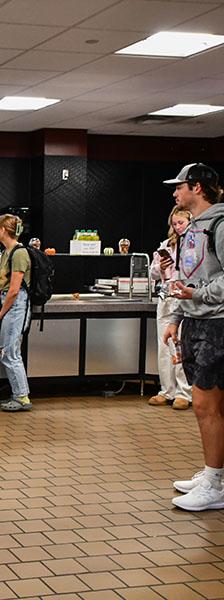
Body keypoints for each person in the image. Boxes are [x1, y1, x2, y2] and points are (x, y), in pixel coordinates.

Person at [161, 163, 224, 511]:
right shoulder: (193, 229)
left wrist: (195, 294)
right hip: (196, 321)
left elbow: (209, 282)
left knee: (204, 404)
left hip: (217, 323)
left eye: (179, 186)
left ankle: (214, 482)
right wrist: (176, 315)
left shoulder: (219, 224)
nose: (175, 193)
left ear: (197, 188)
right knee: (210, 406)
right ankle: (215, 473)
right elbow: (189, 275)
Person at [148, 206, 192, 410]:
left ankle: (184, 392)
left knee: (181, 344)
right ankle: (167, 390)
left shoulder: (194, 244)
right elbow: (153, 273)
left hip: (184, 298)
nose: (177, 227)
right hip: (166, 298)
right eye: (174, 223)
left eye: (181, 223)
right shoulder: (166, 245)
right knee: (164, 344)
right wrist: (161, 267)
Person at [0, 214, 32, 412]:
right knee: (7, 352)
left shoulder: (19, 253)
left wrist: (0, 314)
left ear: (4, 229)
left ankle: (22, 397)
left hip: (16, 305)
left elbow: (14, 290)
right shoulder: (6, 252)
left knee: (10, 353)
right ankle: (19, 394)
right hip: (9, 305)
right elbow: (0, 284)